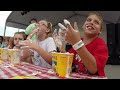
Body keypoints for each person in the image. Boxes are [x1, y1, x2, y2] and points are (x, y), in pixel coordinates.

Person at [61, 12, 108, 76]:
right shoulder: (80, 41)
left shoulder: (100, 43)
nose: (91, 22)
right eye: (89, 20)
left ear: (100, 30)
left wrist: (77, 43)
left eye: (96, 22)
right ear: (83, 25)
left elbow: (93, 69)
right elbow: (67, 60)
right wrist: (61, 46)